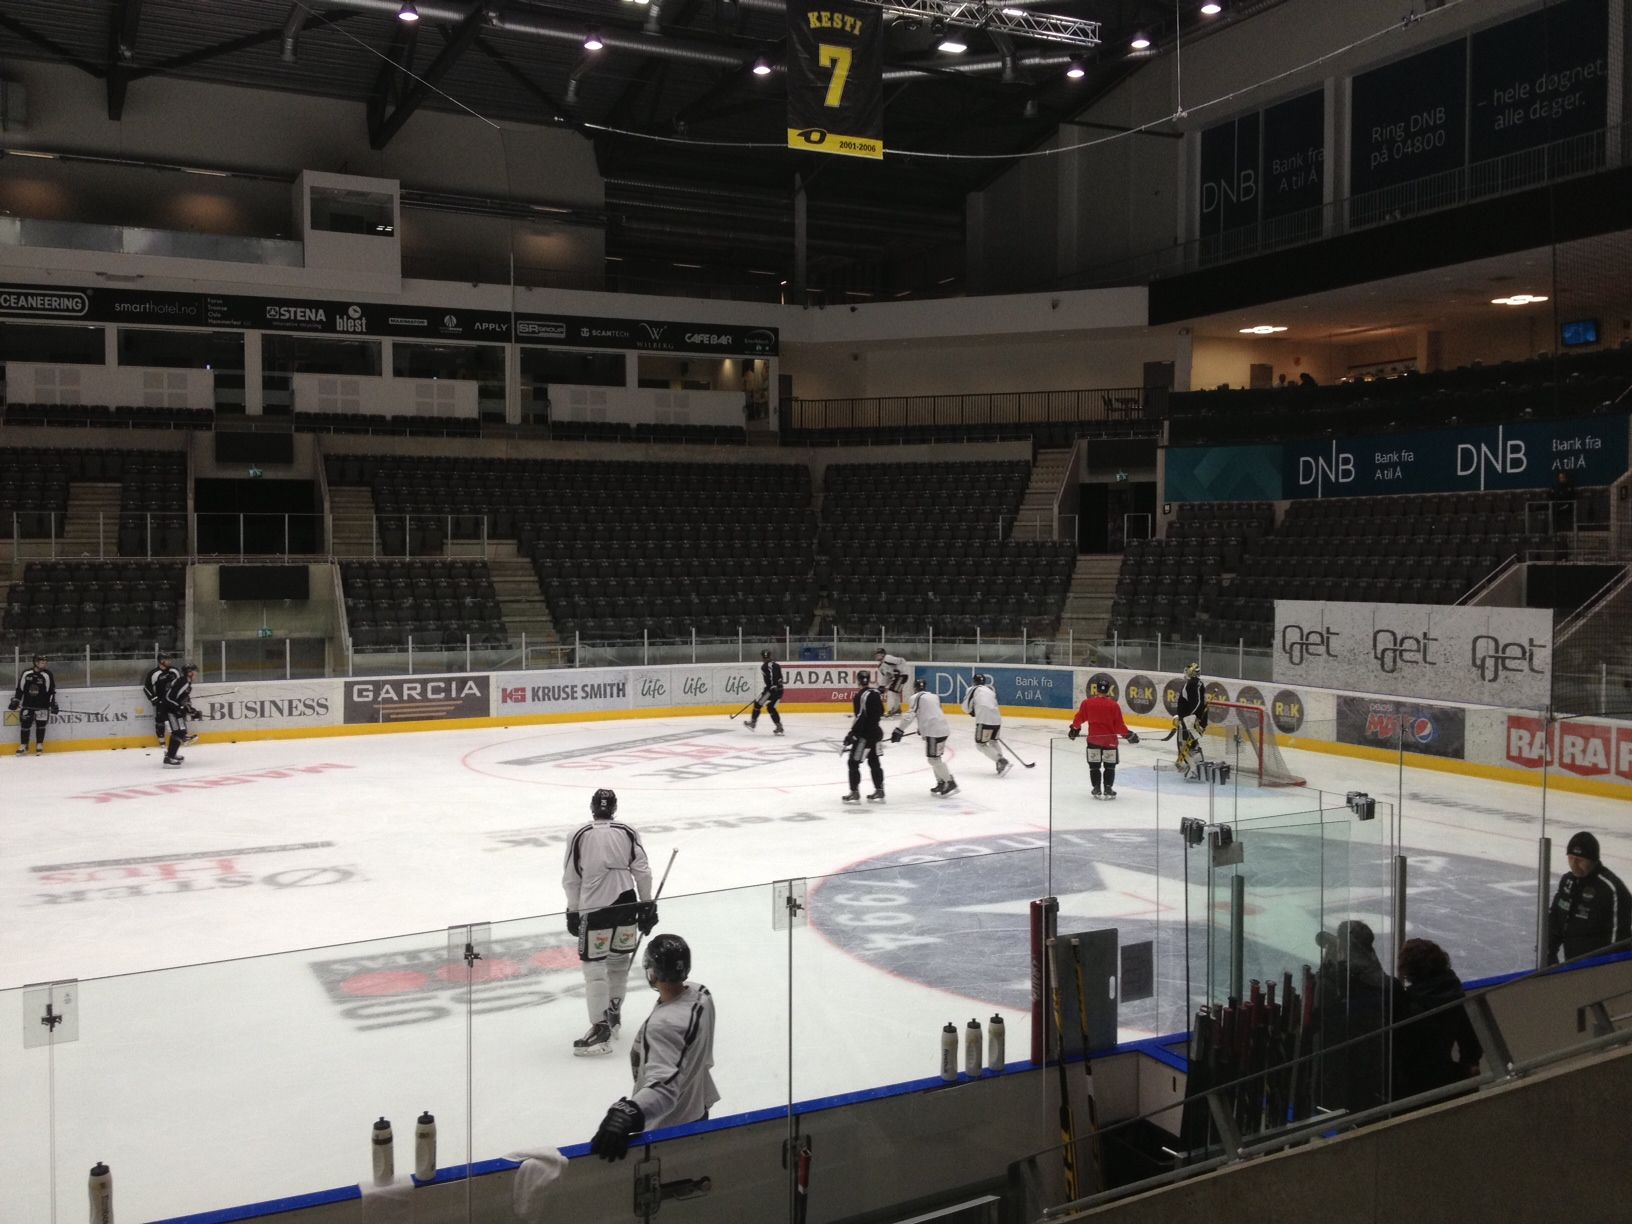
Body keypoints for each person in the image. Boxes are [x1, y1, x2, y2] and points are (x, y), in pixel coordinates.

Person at [589, 933, 718, 1161]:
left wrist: (628, 1113)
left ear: (652, 972)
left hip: (669, 1128)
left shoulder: (664, 1025)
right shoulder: (701, 995)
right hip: (697, 1110)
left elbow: (664, 1090)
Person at [563, 788, 657, 1056]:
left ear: (592, 807)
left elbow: (571, 877)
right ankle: (613, 1014)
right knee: (618, 962)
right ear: (614, 808)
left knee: (594, 968)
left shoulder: (579, 833)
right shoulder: (627, 830)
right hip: (626, 902)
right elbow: (642, 871)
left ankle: (600, 1029)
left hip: (595, 908)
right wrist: (646, 904)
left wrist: (572, 910)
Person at [1312, 918, 1403, 1114]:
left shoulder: (1333, 984)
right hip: (1377, 1068)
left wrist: (1325, 970)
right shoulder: (1389, 985)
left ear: (1342, 947)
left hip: (1340, 1068)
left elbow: (1320, 1020)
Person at [1393, 938, 1481, 1099]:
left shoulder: (1409, 1003)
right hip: (1446, 1079)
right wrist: (1467, 1071)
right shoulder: (1453, 997)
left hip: (1414, 1088)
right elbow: (1471, 1045)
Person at [1545, 831, 1631, 965]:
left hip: (1599, 967)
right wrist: (1548, 952)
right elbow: (1556, 919)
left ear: (1593, 860)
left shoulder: (1611, 889)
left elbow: (1619, 939)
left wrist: (1609, 967)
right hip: (1573, 965)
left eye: (1579, 860)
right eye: (1570, 858)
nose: (1574, 864)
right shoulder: (1568, 881)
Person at [1068, 679, 1139, 799]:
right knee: (1110, 766)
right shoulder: (1113, 705)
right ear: (1108, 690)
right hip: (1109, 742)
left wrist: (1074, 729)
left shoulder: (1087, 703)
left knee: (1094, 766)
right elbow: (1119, 726)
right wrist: (1128, 735)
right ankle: (1108, 788)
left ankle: (1096, 788)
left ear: (1096, 689)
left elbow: (1079, 719)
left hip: (1093, 741)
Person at [891, 678, 957, 797]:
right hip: (943, 729)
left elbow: (910, 715)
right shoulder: (934, 696)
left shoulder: (915, 697)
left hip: (934, 732)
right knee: (936, 758)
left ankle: (949, 782)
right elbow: (932, 713)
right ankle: (941, 782)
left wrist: (899, 730)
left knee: (933, 759)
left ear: (914, 688)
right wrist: (922, 728)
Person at [842, 669, 886, 803]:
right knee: (874, 761)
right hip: (876, 733)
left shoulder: (860, 696)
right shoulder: (875, 693)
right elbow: (881, 711)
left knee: (853, 762)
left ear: (858, 681)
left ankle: (854, 792)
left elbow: (860, 717)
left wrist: (852, 735)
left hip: (865, 736)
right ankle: (879, 790)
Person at [9, 653, 57, 757]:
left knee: (41, 725)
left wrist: (52, 703)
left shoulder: (47, 674)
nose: (44, 663)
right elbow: (20, 689)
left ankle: (39, 744)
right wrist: (16, 700)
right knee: (25, 725)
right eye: (42, 662)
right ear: (35, 662)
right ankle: (24, 745)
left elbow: (51, 691)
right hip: (27, 705)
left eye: (45, 662)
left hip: (42, 706)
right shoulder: (27, 673)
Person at [962, 672, 1010, 776]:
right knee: (993, 741)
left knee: (980, 745)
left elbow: (965, 706)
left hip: (984, 720)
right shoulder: (990, 690)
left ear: (973, 682)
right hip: (997, 720)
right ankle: (1000, 763)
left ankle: (1000, 760)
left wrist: (972, 712)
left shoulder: (972, 689)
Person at [159, 663, 202, 768]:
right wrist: (179, 708)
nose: (196, 674)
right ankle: (168, 759)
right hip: (170, 711)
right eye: (195, 672)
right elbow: (168, 698)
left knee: (181, 732)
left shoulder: (187, 683)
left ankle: (171, 754)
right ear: (189, 673)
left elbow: (184, 700)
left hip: (175, 711)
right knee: (177, 733)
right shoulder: (183, 682)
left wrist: (192, 711)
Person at [1173, 662, 1209, 781]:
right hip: (1192, 720)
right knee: (1192, 744)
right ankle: (1198, 767)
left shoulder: (1192, 684)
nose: (1185, 673)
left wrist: (1191, 718)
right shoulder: (1196, 683)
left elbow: (1197, 703)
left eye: (1187, 671)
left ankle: (1193, 770)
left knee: (1184, 745)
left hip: (1190, 721)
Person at [143, 651, 177, 747]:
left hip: (172, 701)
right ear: (161, 661)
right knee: (160, 721)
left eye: (170, 659)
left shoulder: (174, 671)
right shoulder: (154, 673)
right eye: (167, 659)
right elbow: (147, 688)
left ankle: (178, 738)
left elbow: (180, 685)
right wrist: (154, 699)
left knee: (176, 719)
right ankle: (161, 741)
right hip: (160, 702)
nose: (170, 661)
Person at [747, 649, 785, 735]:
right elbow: (779, 677)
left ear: (762, 657)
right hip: (780, 690)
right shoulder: (777, 665)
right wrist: (773, 686)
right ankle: (779, 727)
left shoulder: (765, 666)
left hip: (771, 691)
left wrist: (772, 686)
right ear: (770, 656)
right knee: (771, 707)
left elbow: (772, 676)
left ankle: (753, 723)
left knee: (757, 704)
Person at [874, 648, 908, 717]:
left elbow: (902, 661)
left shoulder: (888, 658)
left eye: (878, 654)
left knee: (893, 691)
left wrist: (900, 670)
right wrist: (882, 685)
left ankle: (895, 709)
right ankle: (897, 709)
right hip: (897, 677)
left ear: (883, 654)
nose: (876, 656)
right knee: (893, 691)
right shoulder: (880, 667)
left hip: (902, 675)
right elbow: (888, 676)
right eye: (876, 654)